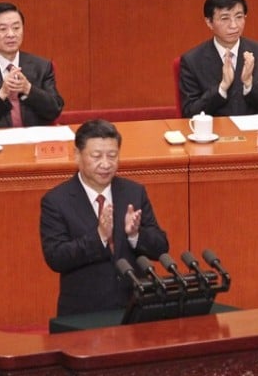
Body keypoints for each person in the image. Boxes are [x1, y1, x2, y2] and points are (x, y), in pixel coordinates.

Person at [40, 119, 169, 317]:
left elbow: (161, 246)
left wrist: (135, 235)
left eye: (112, 155)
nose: (106, 164)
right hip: (84, 313)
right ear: (77, 155)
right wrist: (99, 237)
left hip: (135, 307)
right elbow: (56, 258)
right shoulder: (56, 201)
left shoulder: (133, 192)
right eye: (96, 156)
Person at [0, 2, 64, 129]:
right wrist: (1, 95)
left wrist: (28, 89)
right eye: (3, 29)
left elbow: (55, 109)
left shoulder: (42, 66)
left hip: (33, 139)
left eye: (16, 28)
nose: (11, 34)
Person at [179, 0, 258, 117]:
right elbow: (189, 113)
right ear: (209, 22)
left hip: (252, 128)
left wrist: (249, 84)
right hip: (215, 129)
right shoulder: (192, 61)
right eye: (225, 18)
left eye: (239, 17)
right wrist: (222, 88)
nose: (234, 25)